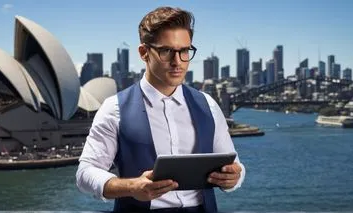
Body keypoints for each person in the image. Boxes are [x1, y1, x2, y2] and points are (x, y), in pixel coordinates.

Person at [76, 6, 245, 213]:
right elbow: (85, 173)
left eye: (184, 51)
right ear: (144, 52)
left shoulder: (208, 105)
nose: (177, 62)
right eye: (166, 51)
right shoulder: (114, 108)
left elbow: (234, 164)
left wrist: (234, 177)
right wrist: (131, 187)